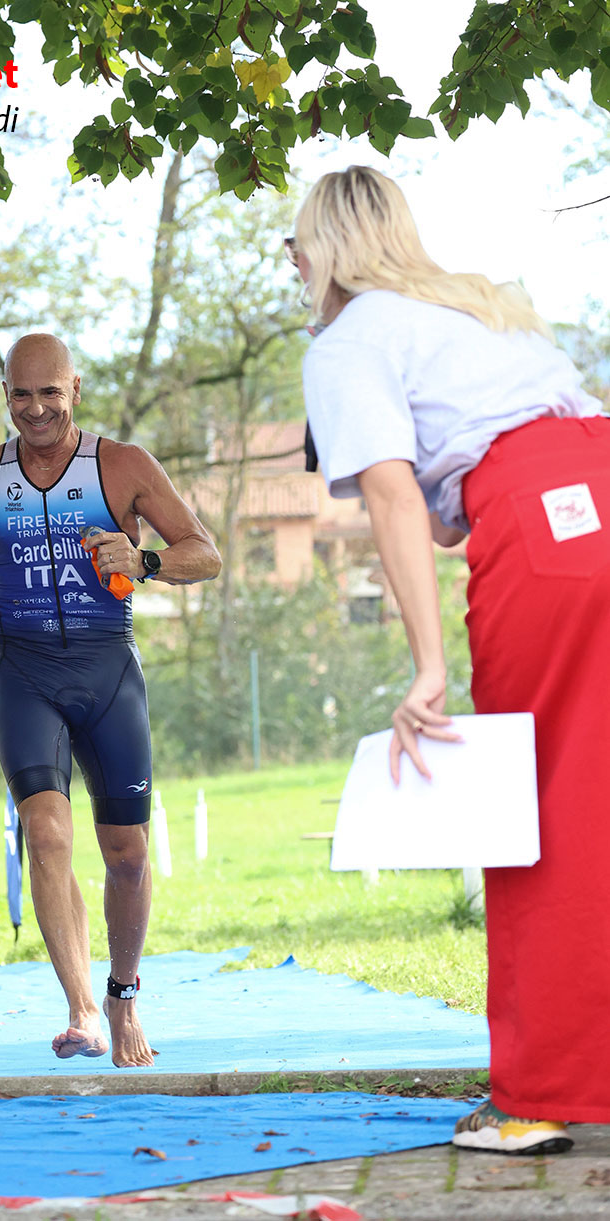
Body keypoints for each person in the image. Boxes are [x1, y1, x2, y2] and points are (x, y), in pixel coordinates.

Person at [290, 165, 610, 1153]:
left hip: (541, 529)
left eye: (293, 245)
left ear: (322, 249)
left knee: (536, 810)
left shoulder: (349, 339)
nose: (291, 265)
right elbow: (446, 506)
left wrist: (426, 666)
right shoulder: (479, 308)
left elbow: (395, 499)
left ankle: (537, 1093)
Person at [0, 333, 221, 1068]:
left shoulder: (122, 465)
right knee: (46, 834)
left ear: (74, 390)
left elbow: (205, 553)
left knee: (126, 855)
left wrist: (146, 560)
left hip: (108, 673)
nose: (35, 409)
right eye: (21, 395)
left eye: (50, 394)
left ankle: (123, 994)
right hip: (24, 674)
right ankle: (82, 1010)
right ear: (5, 395)